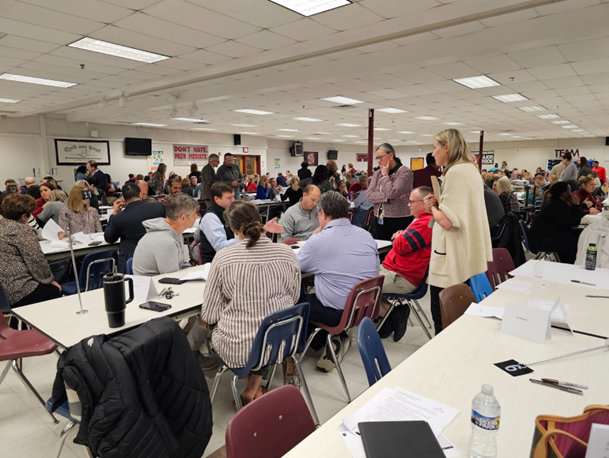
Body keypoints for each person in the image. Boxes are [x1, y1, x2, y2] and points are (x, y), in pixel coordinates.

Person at [200, 200, 300, 405]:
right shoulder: (286, 253)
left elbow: (209, 315)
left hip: (238, 346)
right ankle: (253, 387)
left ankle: (251, 387)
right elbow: (294, 297)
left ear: (233, 229)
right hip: (281, 342)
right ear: (261, 221)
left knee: (241, 335)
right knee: (262, 331)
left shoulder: (224, 257)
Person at [296, 191, 379, 372]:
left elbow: (297, 266)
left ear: (323, 214)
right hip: (365, 306)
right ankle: (334, 337)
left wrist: (314, 236)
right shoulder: (365, 235)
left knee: (295, 301)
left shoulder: (319, 241)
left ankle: (325, 339)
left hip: (338, 312)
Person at [423, 129, 493, 335]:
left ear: (446, 147)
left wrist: (432, 208)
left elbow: (446, 221)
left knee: (442, 317)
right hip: (464, 252)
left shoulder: (455, 172)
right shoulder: (471, 169)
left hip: (450, 256)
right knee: (458, 317)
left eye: (435, 148)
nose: (433, 153)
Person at [377, 186, 434, 341]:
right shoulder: (420, 221)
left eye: (411, 202)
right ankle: (387, 313)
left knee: (356, 289)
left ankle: (388, 311)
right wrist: (400, 237)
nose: (408, 205)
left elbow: (402, 246)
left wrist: (397, 238)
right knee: (358, 281)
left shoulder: (426, 223)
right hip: (394, 271)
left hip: (401, 277)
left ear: (424, 203)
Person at [195, 182, 282, 264]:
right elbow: (221, 247)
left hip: (238, 257)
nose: (233, 200)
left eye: (233, 196)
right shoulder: (210, 217)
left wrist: (261, 231)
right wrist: (250, 235)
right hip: (217, 263)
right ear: (216, 199)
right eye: (229, 198)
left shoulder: (234, 212)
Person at [0, 193, 62, 307]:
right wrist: (50, 281)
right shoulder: (22, 231)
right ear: (24, 216)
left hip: (4, 290)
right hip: (18, 291)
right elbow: (36, 261)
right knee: (55, 292)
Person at [104, 182, 166, 273]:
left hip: (133, 260)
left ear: (123, 199)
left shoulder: (119, 218)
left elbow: (109, 238)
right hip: (158, 254)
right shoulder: (159, 207)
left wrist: (114, 213)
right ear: (140, 194)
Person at [132, 193, 198, 276]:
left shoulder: (175, 232)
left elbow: (182, 264)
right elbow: (172, 278)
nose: (196, 217)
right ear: (183, 218)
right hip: (156, 287)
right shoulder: (166, 242)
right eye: (194, 215)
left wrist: (195, 273)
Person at [366, 143, 414, 241]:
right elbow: (369, 195)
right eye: (377, 158)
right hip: (379, 219)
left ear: (391, 155)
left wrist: (385, 176)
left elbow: (392, 192)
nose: (379, 161)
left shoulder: (404, 172)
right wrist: (387, 197)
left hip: (399, 218)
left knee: (398, 250)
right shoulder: (377, 173)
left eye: (381, 157)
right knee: (382, 251)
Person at [528, 182, 582, 264]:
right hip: (542, 241)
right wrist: (576, 205)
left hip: (544, 237)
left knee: (575, 237)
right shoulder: (556, 205)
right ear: (564, 194)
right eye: (569, 191)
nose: (571, 194)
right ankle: (569, 265)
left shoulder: (554, 203)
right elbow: (573, 221)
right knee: (578, 241)